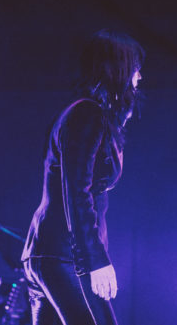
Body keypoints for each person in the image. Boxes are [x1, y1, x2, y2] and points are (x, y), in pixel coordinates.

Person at [21, 29, 144, 325]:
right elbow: (77, 191)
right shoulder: (86, 114)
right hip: (63, 256)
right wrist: (94, 259)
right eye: (135, 68)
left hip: (53, 254)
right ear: (118, 69)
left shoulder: (89, 115)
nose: (139, 77)